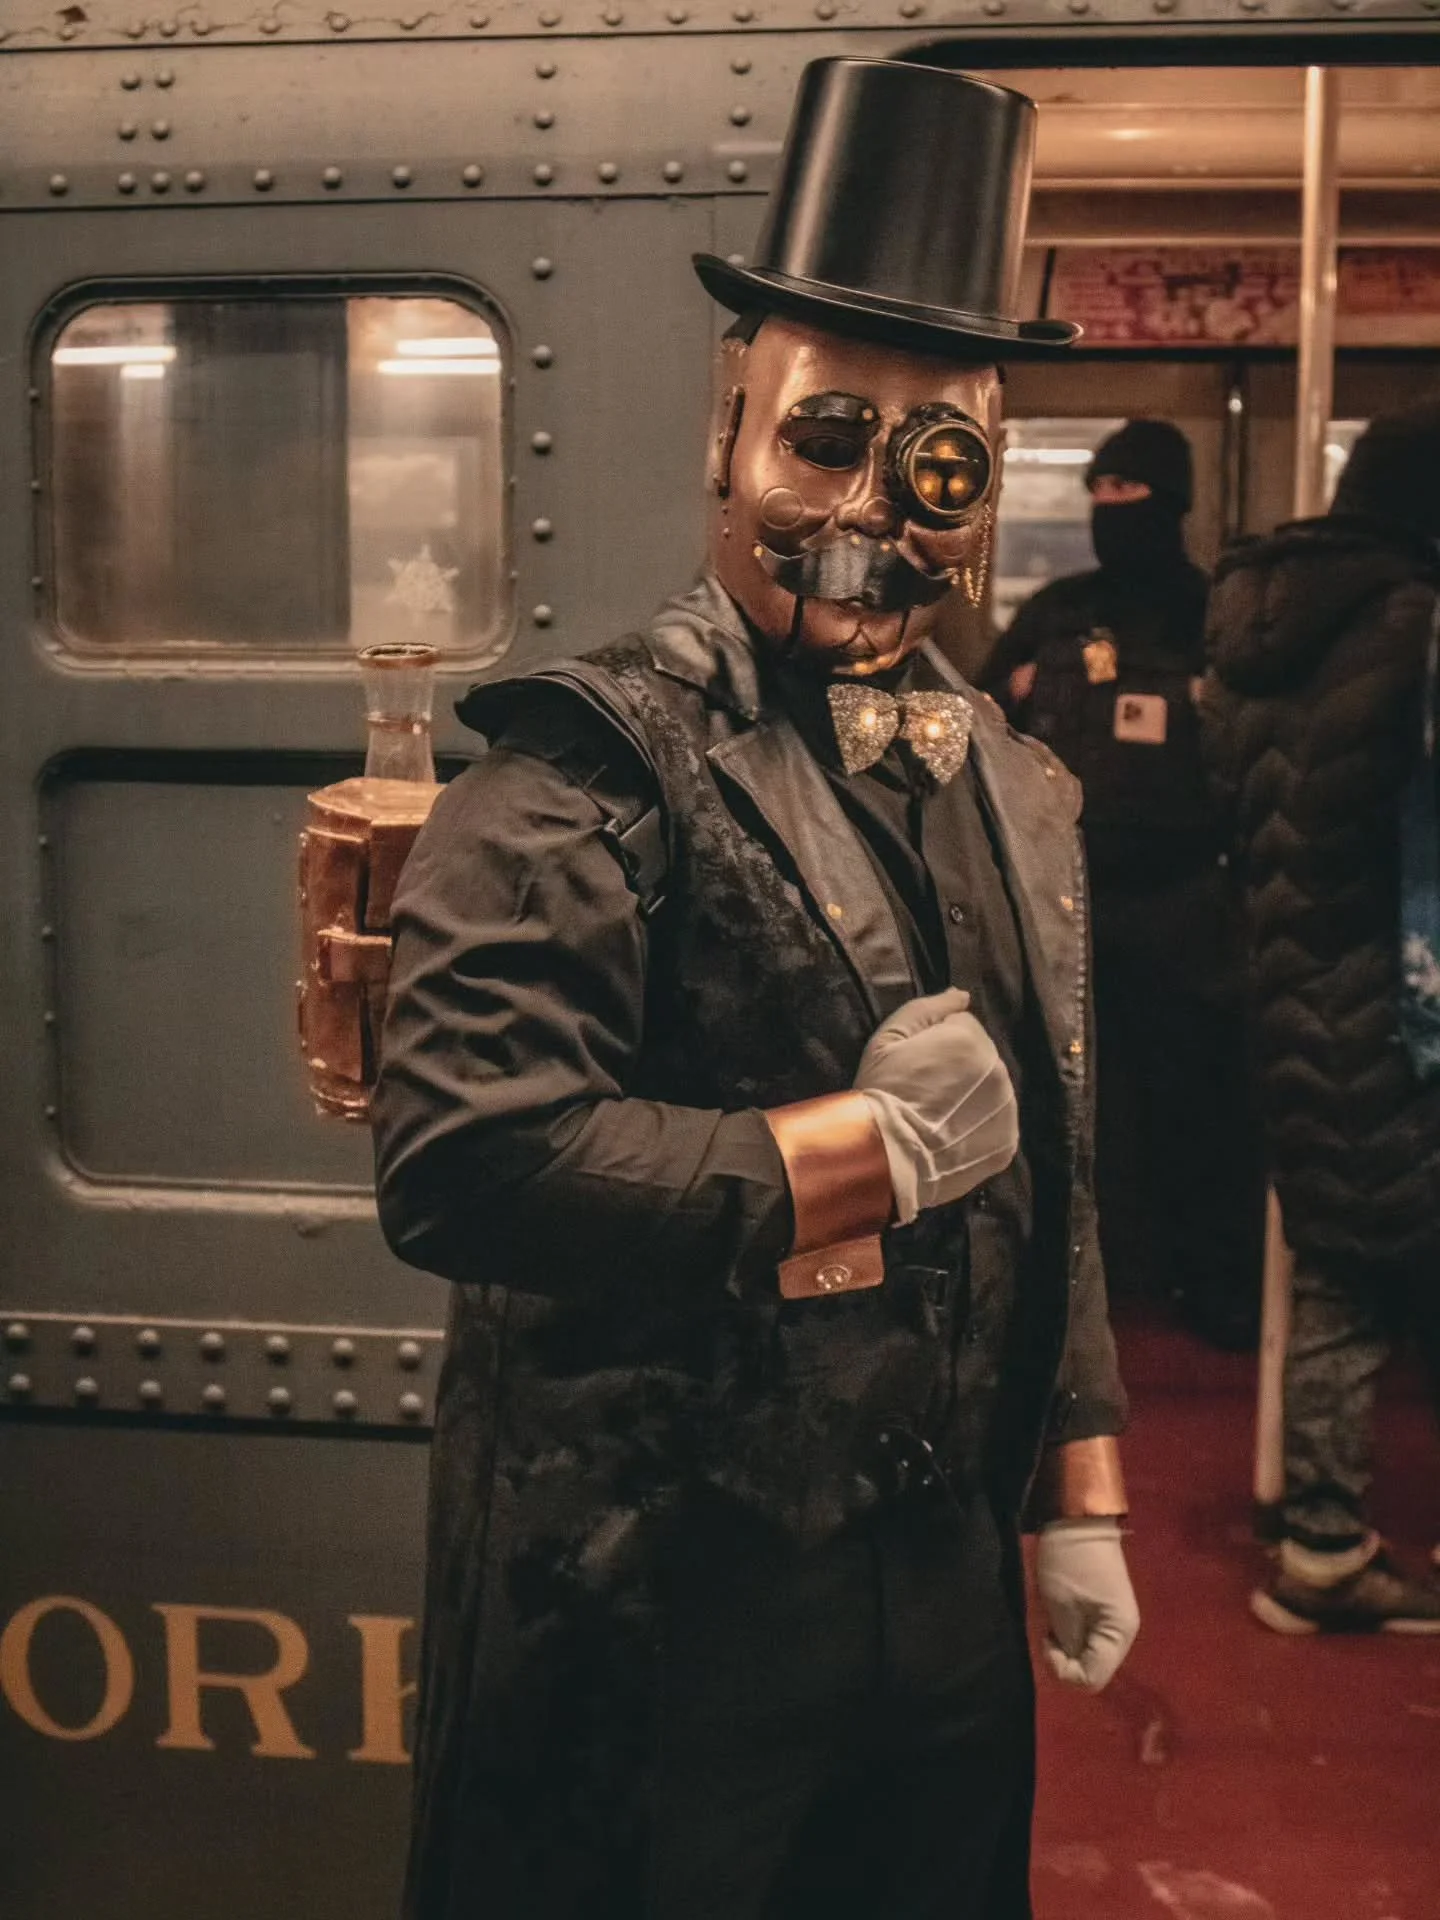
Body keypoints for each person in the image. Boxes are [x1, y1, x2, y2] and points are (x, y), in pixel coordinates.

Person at [372, 57, 1138, 1920]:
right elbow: (466, 1156)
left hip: (938, 1583)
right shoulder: (582, 771)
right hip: (655, 1598)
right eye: (825, 440)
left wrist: (1084, 1487)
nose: (875, 510)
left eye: (937, 462)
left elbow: (1053, 1165)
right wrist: (846, 1157)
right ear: (730, 431)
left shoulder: (1019, 786)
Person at [1203, 400, 1440, 1633]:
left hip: (1293, 984)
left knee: (1341, 1261)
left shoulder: (1256, 621)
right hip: (1404, 993)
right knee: (1366, 1275)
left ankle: (1324, 1537)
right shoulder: (1412, 622)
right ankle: (1326, 1550)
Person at [986, 422, 1265, 1349]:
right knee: (1053, 1105)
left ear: (1170, 502)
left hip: (1187, 896)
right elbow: (979, 724)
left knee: (1196, 1105)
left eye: (1128, 492)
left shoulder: (1215, 613)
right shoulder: (1057, 611)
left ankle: (1214, 1288)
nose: (1110, 509)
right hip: (1060, 897)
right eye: (1098, 492)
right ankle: (1046, 1289)